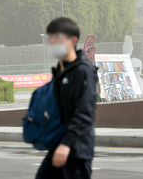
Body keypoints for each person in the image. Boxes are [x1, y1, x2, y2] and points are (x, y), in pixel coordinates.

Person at [35, 17, 98, 179]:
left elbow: (84, 113)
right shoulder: (60, 71)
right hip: (58, 145)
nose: (52, 42)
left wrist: (66, 144)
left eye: (57, 38)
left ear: (72, 40)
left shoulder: (83, 71)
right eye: (50, 38)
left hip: (75, 149)